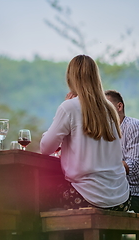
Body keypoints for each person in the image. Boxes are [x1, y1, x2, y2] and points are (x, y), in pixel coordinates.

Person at [40, 55, 131, 211]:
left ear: (70, 78)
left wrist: (62, 111)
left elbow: (46, 148)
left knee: (40, 195)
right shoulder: (110, 109)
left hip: (87, 197)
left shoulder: (69, 107)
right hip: (121, 199)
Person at [105, 90, 139, 212]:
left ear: (119, 106)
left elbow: (135, 166)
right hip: (114, 191)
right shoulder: (105, 132)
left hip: (133, 193)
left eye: (106, 107)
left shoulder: (132, 126)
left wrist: (103, 167)